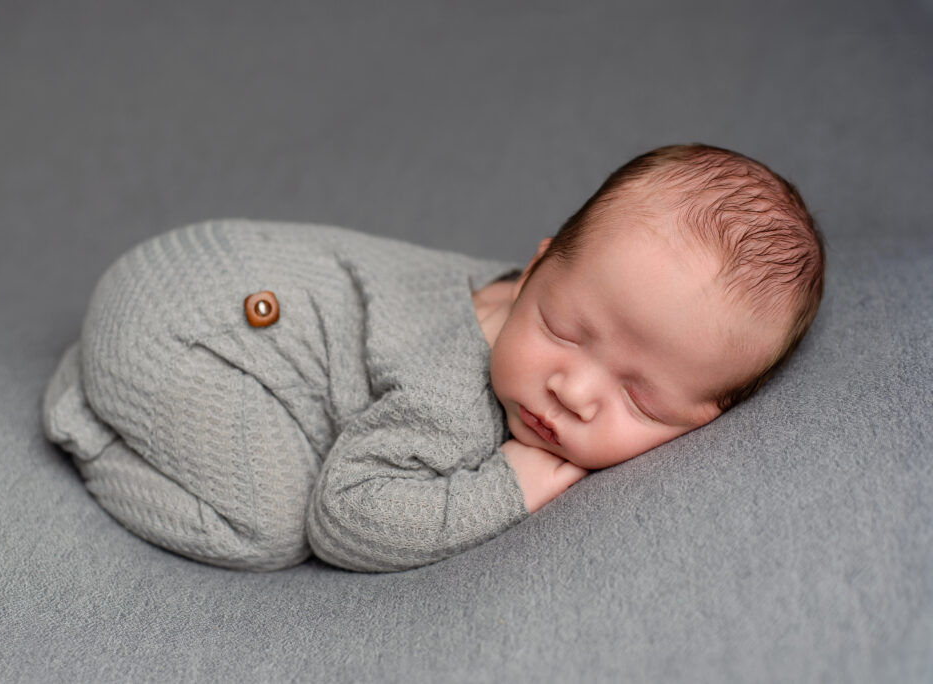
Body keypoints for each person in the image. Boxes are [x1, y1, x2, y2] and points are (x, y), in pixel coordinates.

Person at [41, 144, 824, 573]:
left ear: (709, 415)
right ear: (537, 265)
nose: (573, 389)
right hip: (179, 338)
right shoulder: (452, 394)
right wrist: (508, 487)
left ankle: (108, 374)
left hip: (194, 272)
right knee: (271, 530)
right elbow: (343, 519)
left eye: (641, 399)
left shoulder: (545, 293)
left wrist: (560, 325)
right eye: (563, 329)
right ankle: (92, 419)